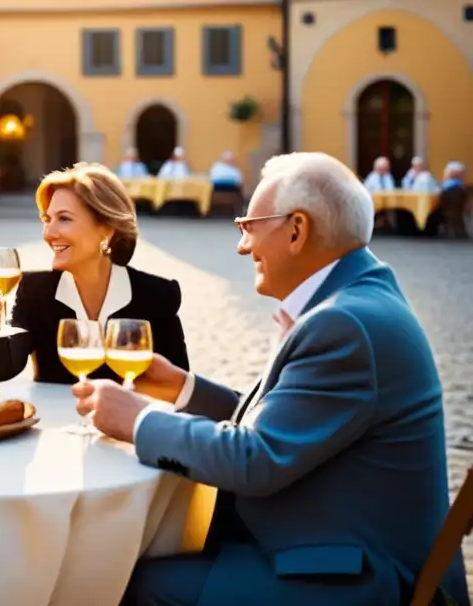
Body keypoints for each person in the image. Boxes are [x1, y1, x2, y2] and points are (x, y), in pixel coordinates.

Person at [73, 152, 468, 606]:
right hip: (334, 541)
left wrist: (138, 420)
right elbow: (284, 422)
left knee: (129, 581)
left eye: (249, 226)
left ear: (296, 230)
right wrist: (183, 388)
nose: (243, 247)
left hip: (357, 577)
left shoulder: (344, 324)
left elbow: (256, 460)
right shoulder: (357, 298)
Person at [0, 163, 189, 383]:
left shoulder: (158, 295)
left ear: (106, 229)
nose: (48, 233)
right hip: (58, 418)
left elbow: (179, 386)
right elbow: (0, 371)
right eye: (47, 220)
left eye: (64, 219)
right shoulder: (35, 291)